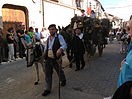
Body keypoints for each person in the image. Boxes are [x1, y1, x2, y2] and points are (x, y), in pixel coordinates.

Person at [42, 24, 67, 96]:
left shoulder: (59, 37)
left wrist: (60, 49)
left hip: (56, 57)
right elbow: (46, 47)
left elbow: (64, 45)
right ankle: (47, 89)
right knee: (47, 73)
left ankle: (63, 79)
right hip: (48, 58)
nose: (51, 31)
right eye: (50, 29)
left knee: (59, 70)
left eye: (53, 29)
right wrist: (44, 54)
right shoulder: (48, 38)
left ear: (55, 30)